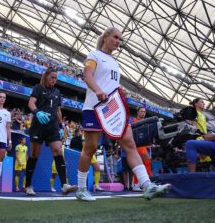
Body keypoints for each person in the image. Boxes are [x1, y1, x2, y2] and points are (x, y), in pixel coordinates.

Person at [76, 27, 171, 201]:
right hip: (94, 108)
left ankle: (147, 185)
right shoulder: (94, 55)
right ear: (105, 37)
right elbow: (87, 76)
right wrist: (98, 91)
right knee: (90, 148)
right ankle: (81, 189)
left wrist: (118, 92)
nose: (118, 41)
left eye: (120, 39)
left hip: (113, 110)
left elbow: (110, 83)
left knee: (130, 144)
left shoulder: (115, 63)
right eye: (116, 37)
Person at [25, 67, 76, 196]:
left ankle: (64, 184)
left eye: (56, 78)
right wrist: (37, 112)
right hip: (38, 125)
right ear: (46, 76)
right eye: (52, 77)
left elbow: (58, 110)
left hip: (52, 126)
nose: (54, 80)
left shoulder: (57, 92)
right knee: (34, 154)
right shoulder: (38, 88)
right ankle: (28, 185)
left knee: (58, 151)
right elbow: (31, 103)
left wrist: (60, 126)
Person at [132, 107, 152, 190]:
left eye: (144, 112)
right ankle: (136, 184)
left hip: (144, 145)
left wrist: (149, 143)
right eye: (141, 111)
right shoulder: (134, 121)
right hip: (138, 145)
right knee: (142, 163)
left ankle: (143, 183)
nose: (143, 113)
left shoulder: (146, 122)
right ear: (137, 112)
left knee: (146, 163)